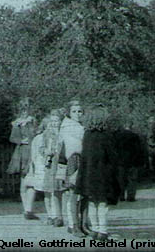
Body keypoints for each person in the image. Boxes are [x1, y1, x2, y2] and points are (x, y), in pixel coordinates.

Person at [75, 106, 121, 241]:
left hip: (88, 174)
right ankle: (103, 231)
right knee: (102, 204)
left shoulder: (87, 134)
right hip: (103, 174)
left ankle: (94, 229)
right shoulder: (107, 135)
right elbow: (112, 156)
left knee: (91, 202)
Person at [6, 97, 38, 220]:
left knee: (31, 180)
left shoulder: (33, 122)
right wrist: (21, 140)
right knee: (24, 181)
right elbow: (12, 138)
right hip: (22, 152)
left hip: (33, 150)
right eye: (23, 110)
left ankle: (29, 209)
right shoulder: (17, 123)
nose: (25, 112)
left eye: (27, 110)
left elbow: (37, 134)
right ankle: (27, 209)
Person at [58, 100, 85, 237]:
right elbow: (63, 151)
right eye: (74, 111)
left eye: (80, 111)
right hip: (73, 160)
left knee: (80, 195)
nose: (78, 114)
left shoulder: (80, 126)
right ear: (69, 113)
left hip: (81, 160)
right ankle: (74, 225)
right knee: (73, 194)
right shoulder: (69, 127)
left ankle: (79, 224)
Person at [23, 116, 51, 222]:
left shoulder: (37, 138)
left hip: (36, 165)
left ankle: (28, 209)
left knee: (33, 187)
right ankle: (50, 215)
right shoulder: (42, 138)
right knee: (47, 190)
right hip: (41, 166)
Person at [42, 109, 66, 227]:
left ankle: (59, 216)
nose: (54, 123)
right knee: (48, 190)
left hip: (61, 164)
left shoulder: (63, 133)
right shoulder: (47, 134)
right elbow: (41, 148)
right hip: (50, 165)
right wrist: (45, 151)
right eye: (52, 121)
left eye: (56, 120)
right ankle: (51, 215)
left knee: (59, 190)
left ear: (61, 121)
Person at [114, 120, 146, 202]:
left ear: (124, 125)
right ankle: (131, 196)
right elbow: (139, 150)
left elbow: (114, 149)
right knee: (132, 179)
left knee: (120, 179)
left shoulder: (117, 136)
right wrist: (141, 161)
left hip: (120, 161)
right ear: (131, 126)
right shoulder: (135, 136)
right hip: (133, 161)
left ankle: (121, 196)